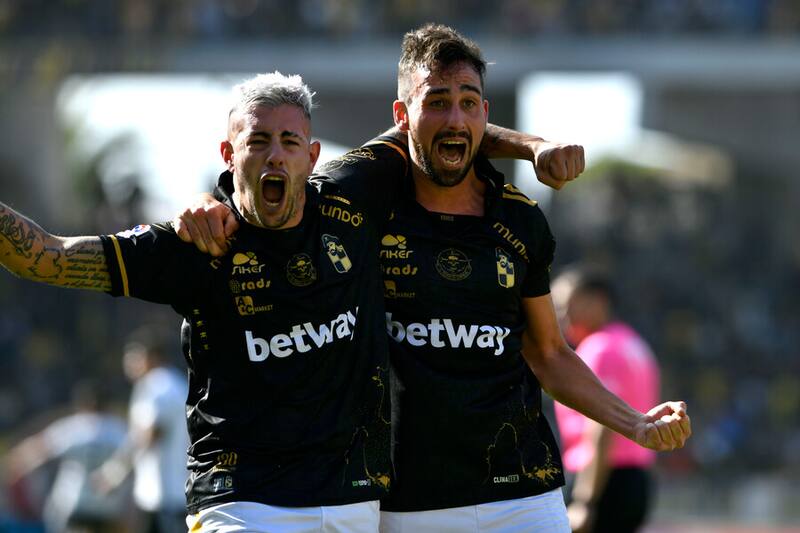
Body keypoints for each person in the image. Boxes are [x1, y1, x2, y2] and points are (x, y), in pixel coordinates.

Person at [177, 23, 691, 533]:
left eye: (470, 102)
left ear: (485, 113)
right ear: (401, 118)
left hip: (525, 495)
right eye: (437, 101)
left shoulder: (520, 220)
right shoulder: (361, 202)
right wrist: (208, 205)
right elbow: (276, 193)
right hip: (407, 506)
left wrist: (637, 424)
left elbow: (549, 353)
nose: (455, 117)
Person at [0, 72, 398, 532]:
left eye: (290, 142)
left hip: (353, 504)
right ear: (229, 154)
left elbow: (442, 125)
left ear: (311, 157)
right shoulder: (194, 244)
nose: (275, 154)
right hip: (243, 505)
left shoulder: (350, 205)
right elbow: (48, 258)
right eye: (258, 140)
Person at [551, 267, 661, 533]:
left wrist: (585, 500)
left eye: (568, 306)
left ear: (597, 301)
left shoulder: (600, 349)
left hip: (602, 480)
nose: (563, 317)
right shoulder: (633, 344)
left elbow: (602, 427)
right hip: (635, 477)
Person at [94, 326, 189, 533]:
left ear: (152, 356)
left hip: (164, 496)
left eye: (133, 356)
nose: (127, 364)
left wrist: (113, 473)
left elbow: (149, 435)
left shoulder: (156, 386)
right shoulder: (177, 383)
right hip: (180, 491)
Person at [5, 381, 129, 533]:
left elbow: (38, 449)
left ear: (82, 404)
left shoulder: (74, 427)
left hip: (73, 503)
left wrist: (14, 464)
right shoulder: (120, 430)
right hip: (108, 507)